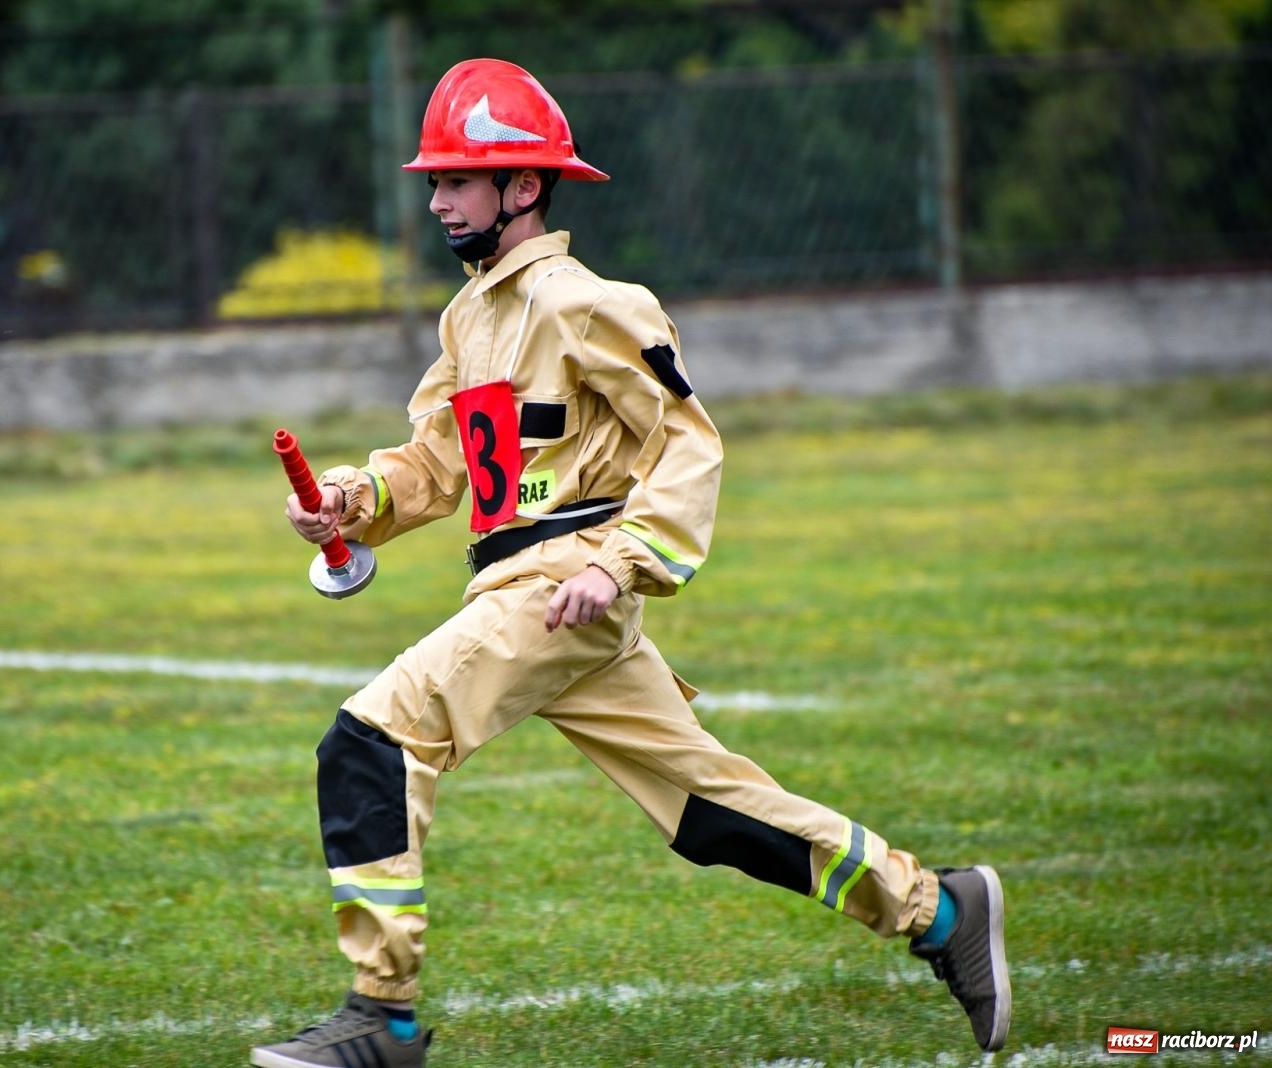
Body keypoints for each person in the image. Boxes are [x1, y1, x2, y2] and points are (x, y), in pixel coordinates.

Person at [253, 58, 1010, 1068]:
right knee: (713, 816)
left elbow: (688, 442)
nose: (435, 200)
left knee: (371, 742)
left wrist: (621, 564)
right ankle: (938, 912)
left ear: (524, 187)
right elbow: (439, 465)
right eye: (432, 181)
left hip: (568, 589)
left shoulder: (591, 303)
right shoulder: (469, 318)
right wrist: (354, 498)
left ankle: (381, 1018)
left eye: (456, 180)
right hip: (536, 596)